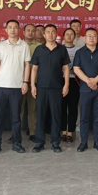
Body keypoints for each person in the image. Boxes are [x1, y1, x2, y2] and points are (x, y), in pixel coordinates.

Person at [0, 20, 31, 155]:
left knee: (16, 117)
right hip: (1, 87)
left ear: (19, 30)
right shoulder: (1, 45)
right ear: (6, 30)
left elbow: (27, 65)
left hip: (17, 87)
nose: (13, 30)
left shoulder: (24, 45)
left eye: (15, 27)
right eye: (10, 27)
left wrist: (25, 82)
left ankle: (16, 142)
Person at [30, 25, 70, 153]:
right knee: (40, 114)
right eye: (48, 32)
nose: (50, 34)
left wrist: (66, 84)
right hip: (41, 87)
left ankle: (55, 142)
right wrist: (32, 85)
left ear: (56, 34)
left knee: (56, 115)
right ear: (44, 35)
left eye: (53, 32)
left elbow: (66, 68)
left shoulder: (62, 49)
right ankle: (40, 142)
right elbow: (34, 68)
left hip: (57, 87)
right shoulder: (39, 49)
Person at [73, 28, 98, 152]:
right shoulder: (80, 52)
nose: (92, 38)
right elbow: (76, 69)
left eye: (94, 36)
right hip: (85, 89)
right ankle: (83, 142)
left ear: (97, 38)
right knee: (84, 117)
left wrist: (96, 80)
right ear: (85, 38)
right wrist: (89, 81)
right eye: (89, 36)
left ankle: (97, 142)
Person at [61, 28, 80, 142]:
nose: (69, 36)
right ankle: (63, 130)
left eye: (71, 34)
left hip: (74, 81)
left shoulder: (79, 50)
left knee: (72, 107)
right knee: (62, 107)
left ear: (74, 36)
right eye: (67, 34)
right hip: (61, 80)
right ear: (63, 36)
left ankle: (70, 132)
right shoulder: (59, 49)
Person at [23, 23, 41, 140]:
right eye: (28, 30)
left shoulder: (40, 47)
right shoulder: (19, 45)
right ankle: (16, 134)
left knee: (33, 109)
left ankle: (33, 132)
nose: (30, 33)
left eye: (33, 31)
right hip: (19, 82)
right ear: (23, 32)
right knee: (18, 108)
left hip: (34, 81)